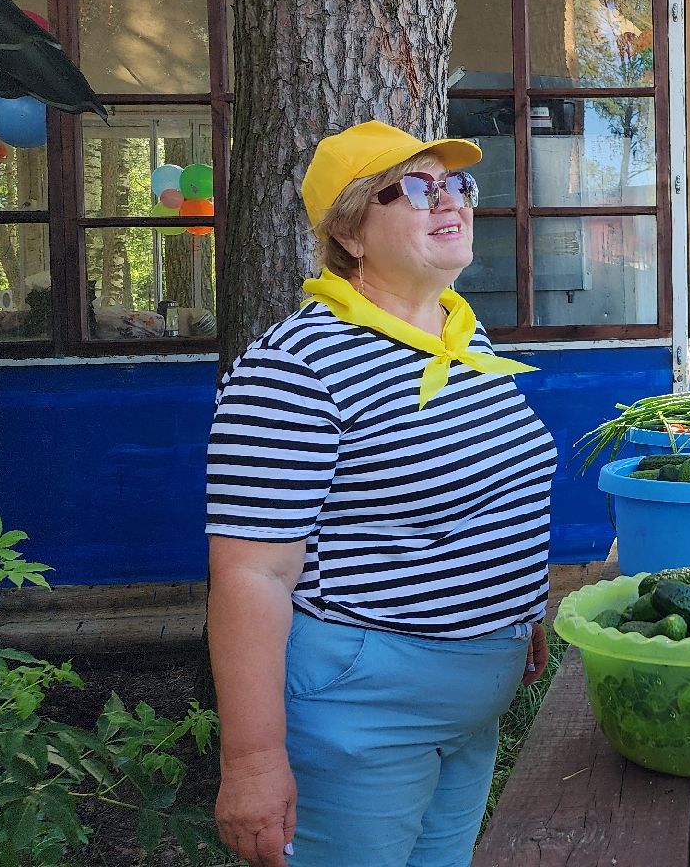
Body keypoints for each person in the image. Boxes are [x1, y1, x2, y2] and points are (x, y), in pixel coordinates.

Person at [206, 121, 558, 867]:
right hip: (364, 711)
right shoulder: (294, 368)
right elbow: (251, 574)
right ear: (352, 232)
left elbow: (483, 498)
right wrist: (253, 763)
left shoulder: (463, 337)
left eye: (458, 184)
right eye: (420, 188)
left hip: (473, 698)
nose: (452, 200)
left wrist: (518, 608)